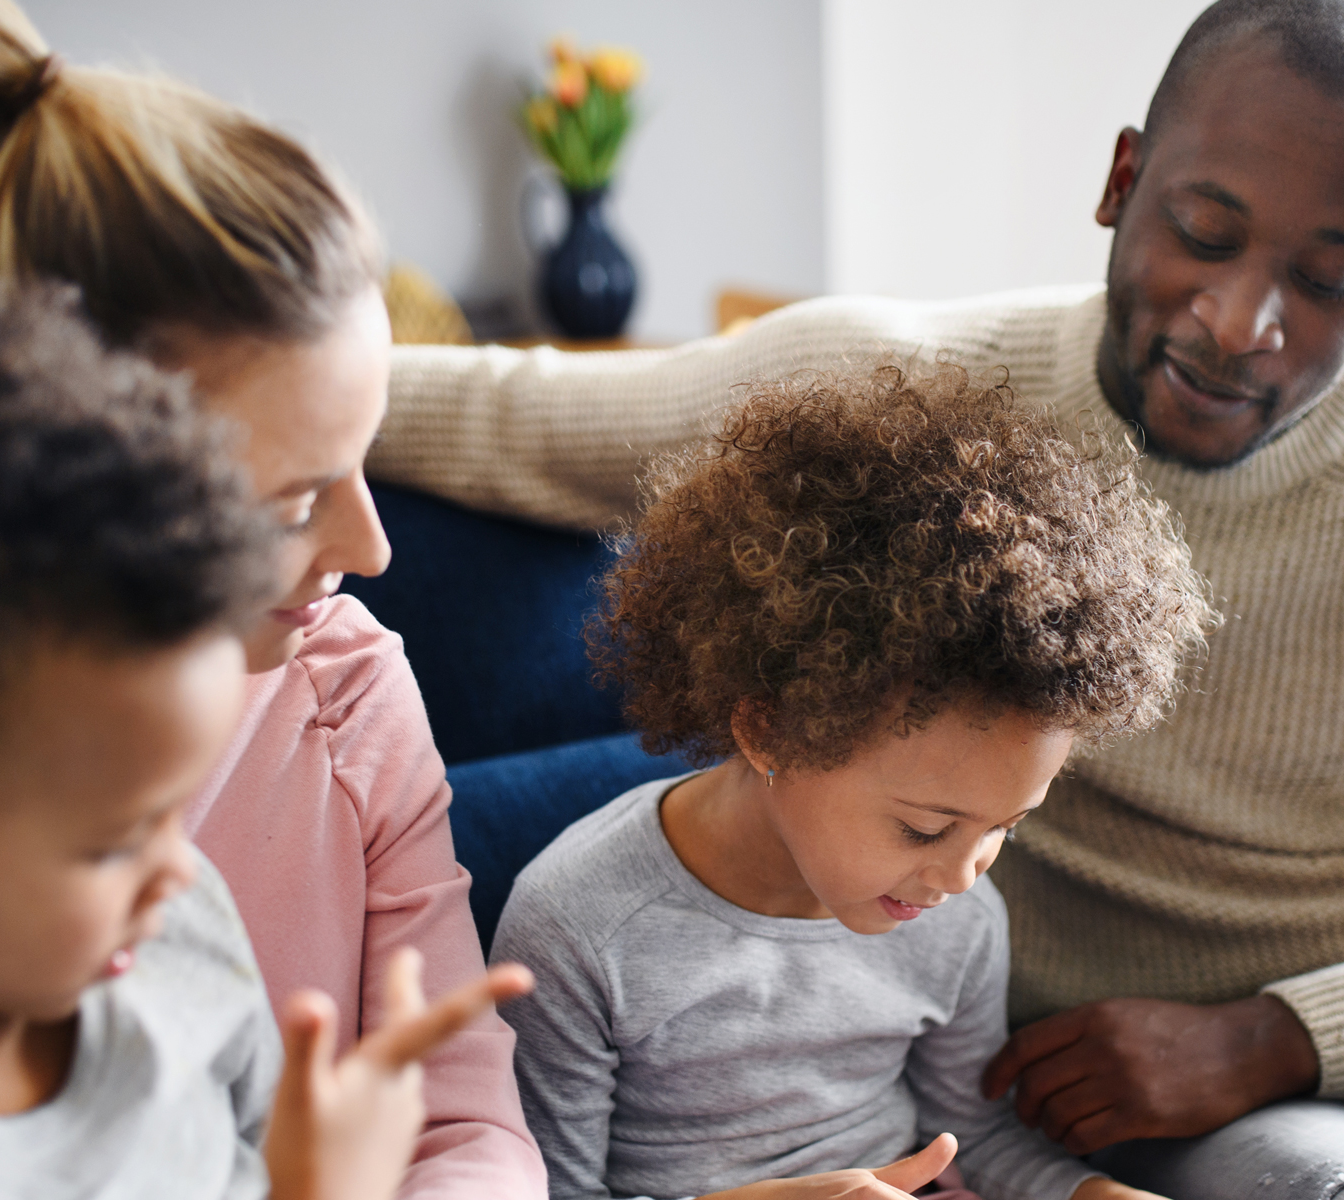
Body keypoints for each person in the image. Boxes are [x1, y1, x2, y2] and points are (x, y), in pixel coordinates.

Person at [368, 1, 1344, 1195]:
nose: (1245, 322)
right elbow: (507, 412)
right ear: (1123, 182)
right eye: (1204, 232)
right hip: (1141, 1091)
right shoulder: (908, 404)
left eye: (1328, 280)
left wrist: (1281, 1034)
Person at [0, 2, 545, 1195]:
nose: (370, 548)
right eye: (284, 501)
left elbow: (455, 1116)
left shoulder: (321, 712)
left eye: (369, 467)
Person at [494, 364, 1209, 1200]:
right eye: (923, 827)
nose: (961, 875)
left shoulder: (960, 920)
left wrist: (1090, 1195)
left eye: (1004, 827)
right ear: (771, 731)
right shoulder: (577, 929)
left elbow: (970, 1134)